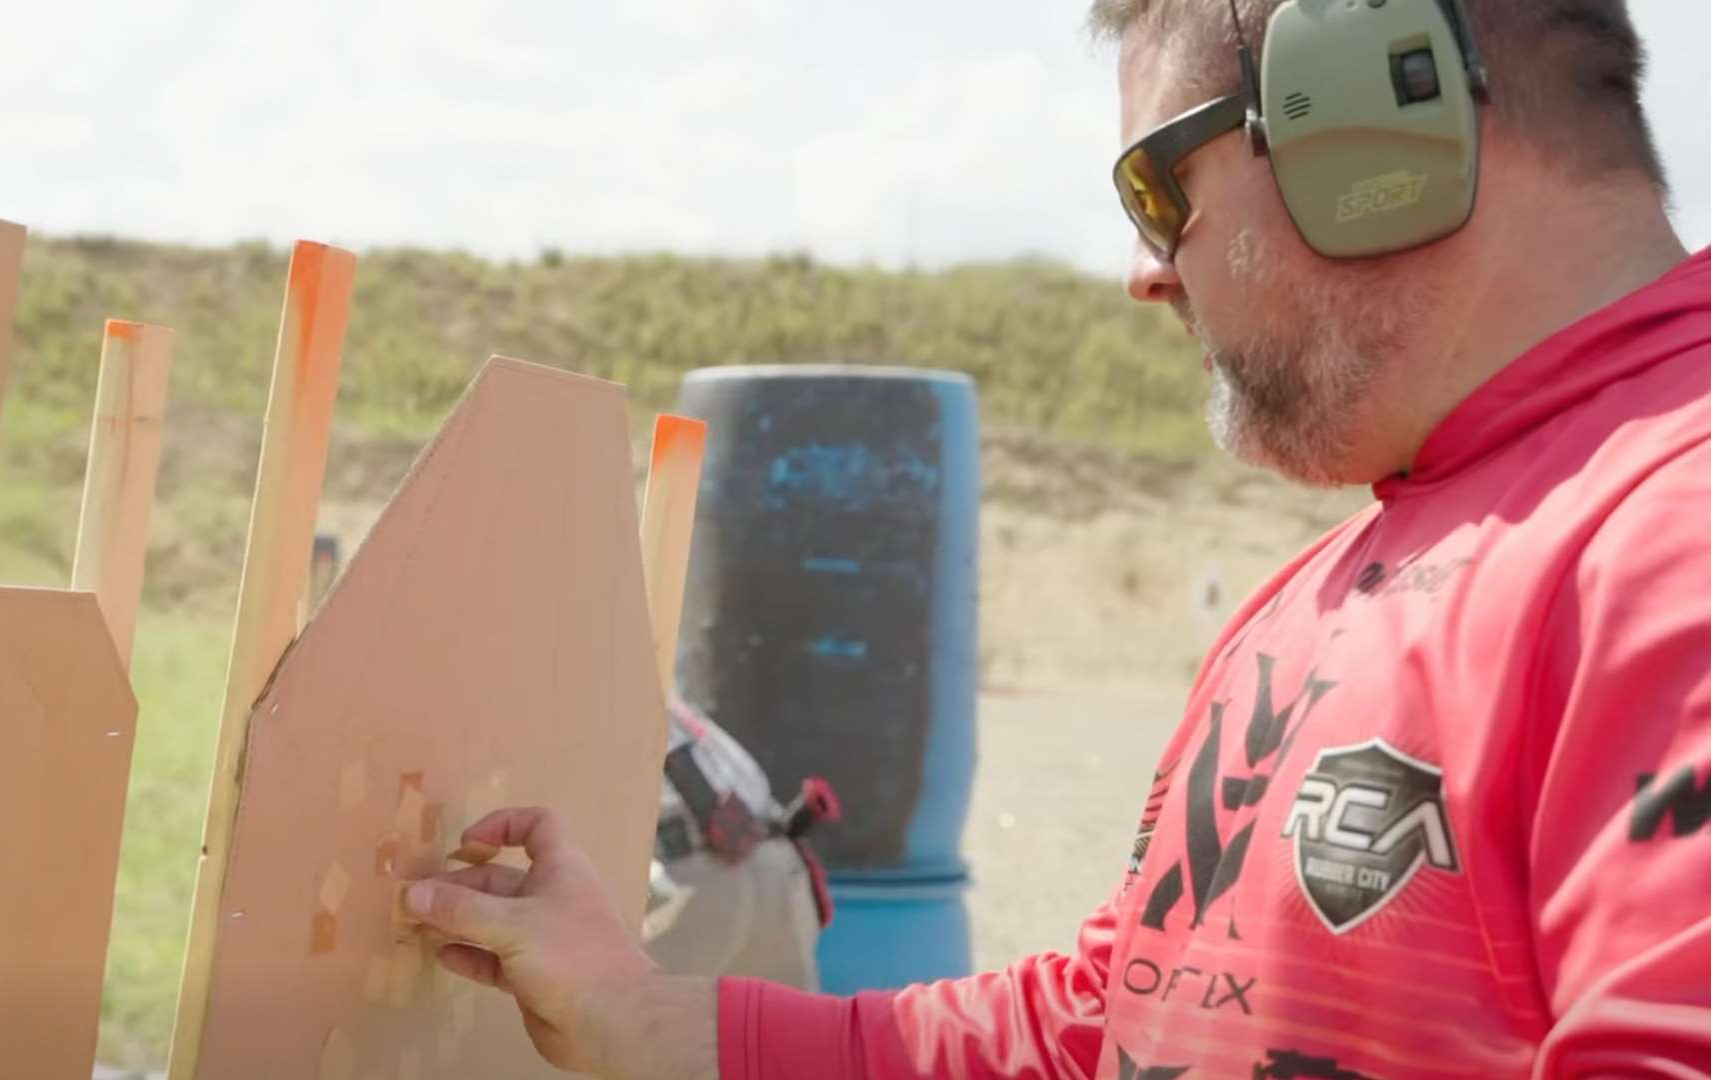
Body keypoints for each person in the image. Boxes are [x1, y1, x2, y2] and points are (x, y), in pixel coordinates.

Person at [403, 0, 1711, 1075]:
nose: (1147, 271)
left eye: (1159, 184)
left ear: (1366, 112)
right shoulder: (1328, 594)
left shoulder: (1671, 538)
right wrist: (645, 1019)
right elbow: (1105, 1024)